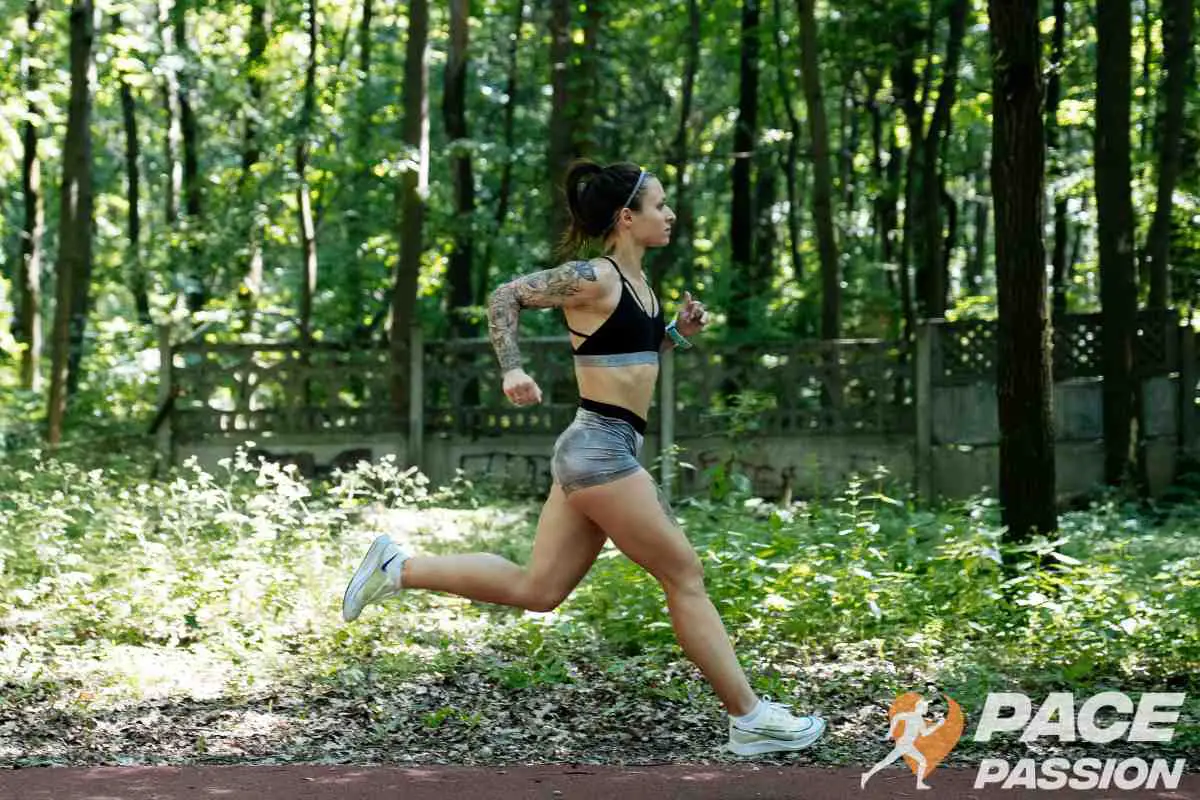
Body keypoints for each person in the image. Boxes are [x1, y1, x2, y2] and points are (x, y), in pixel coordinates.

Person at [341, 159, 825, 757]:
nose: (670, 215)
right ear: (627, 217)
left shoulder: (641, 287)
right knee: (684, 575)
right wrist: (512, 367)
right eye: (660, 206)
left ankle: (399, 567)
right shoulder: (594, 276)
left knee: (539, 589)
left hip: (598, 447)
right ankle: (750, 717)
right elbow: (506, 294)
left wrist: (673, 333)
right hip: (599, 450)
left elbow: (627, 357)